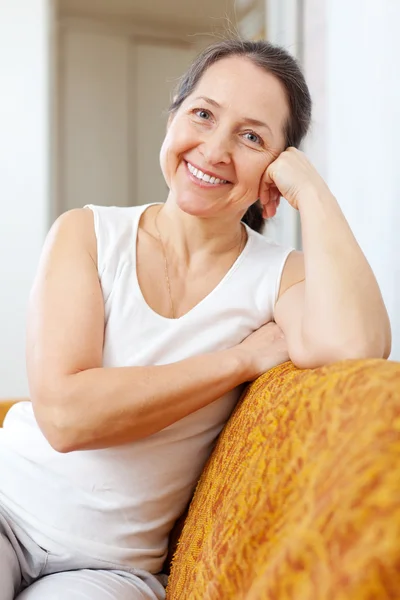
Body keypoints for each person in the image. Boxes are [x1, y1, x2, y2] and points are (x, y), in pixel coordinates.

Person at [0, 38, 391, 600]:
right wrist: (240, 359)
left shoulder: (279, 275)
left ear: (275, 172)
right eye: (203, 114)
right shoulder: (86, 233)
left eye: (252, 136)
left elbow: (357, 343)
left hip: (109, 569)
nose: (214, 149)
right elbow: (65, 416)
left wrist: (314, 191)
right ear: (174, 118)